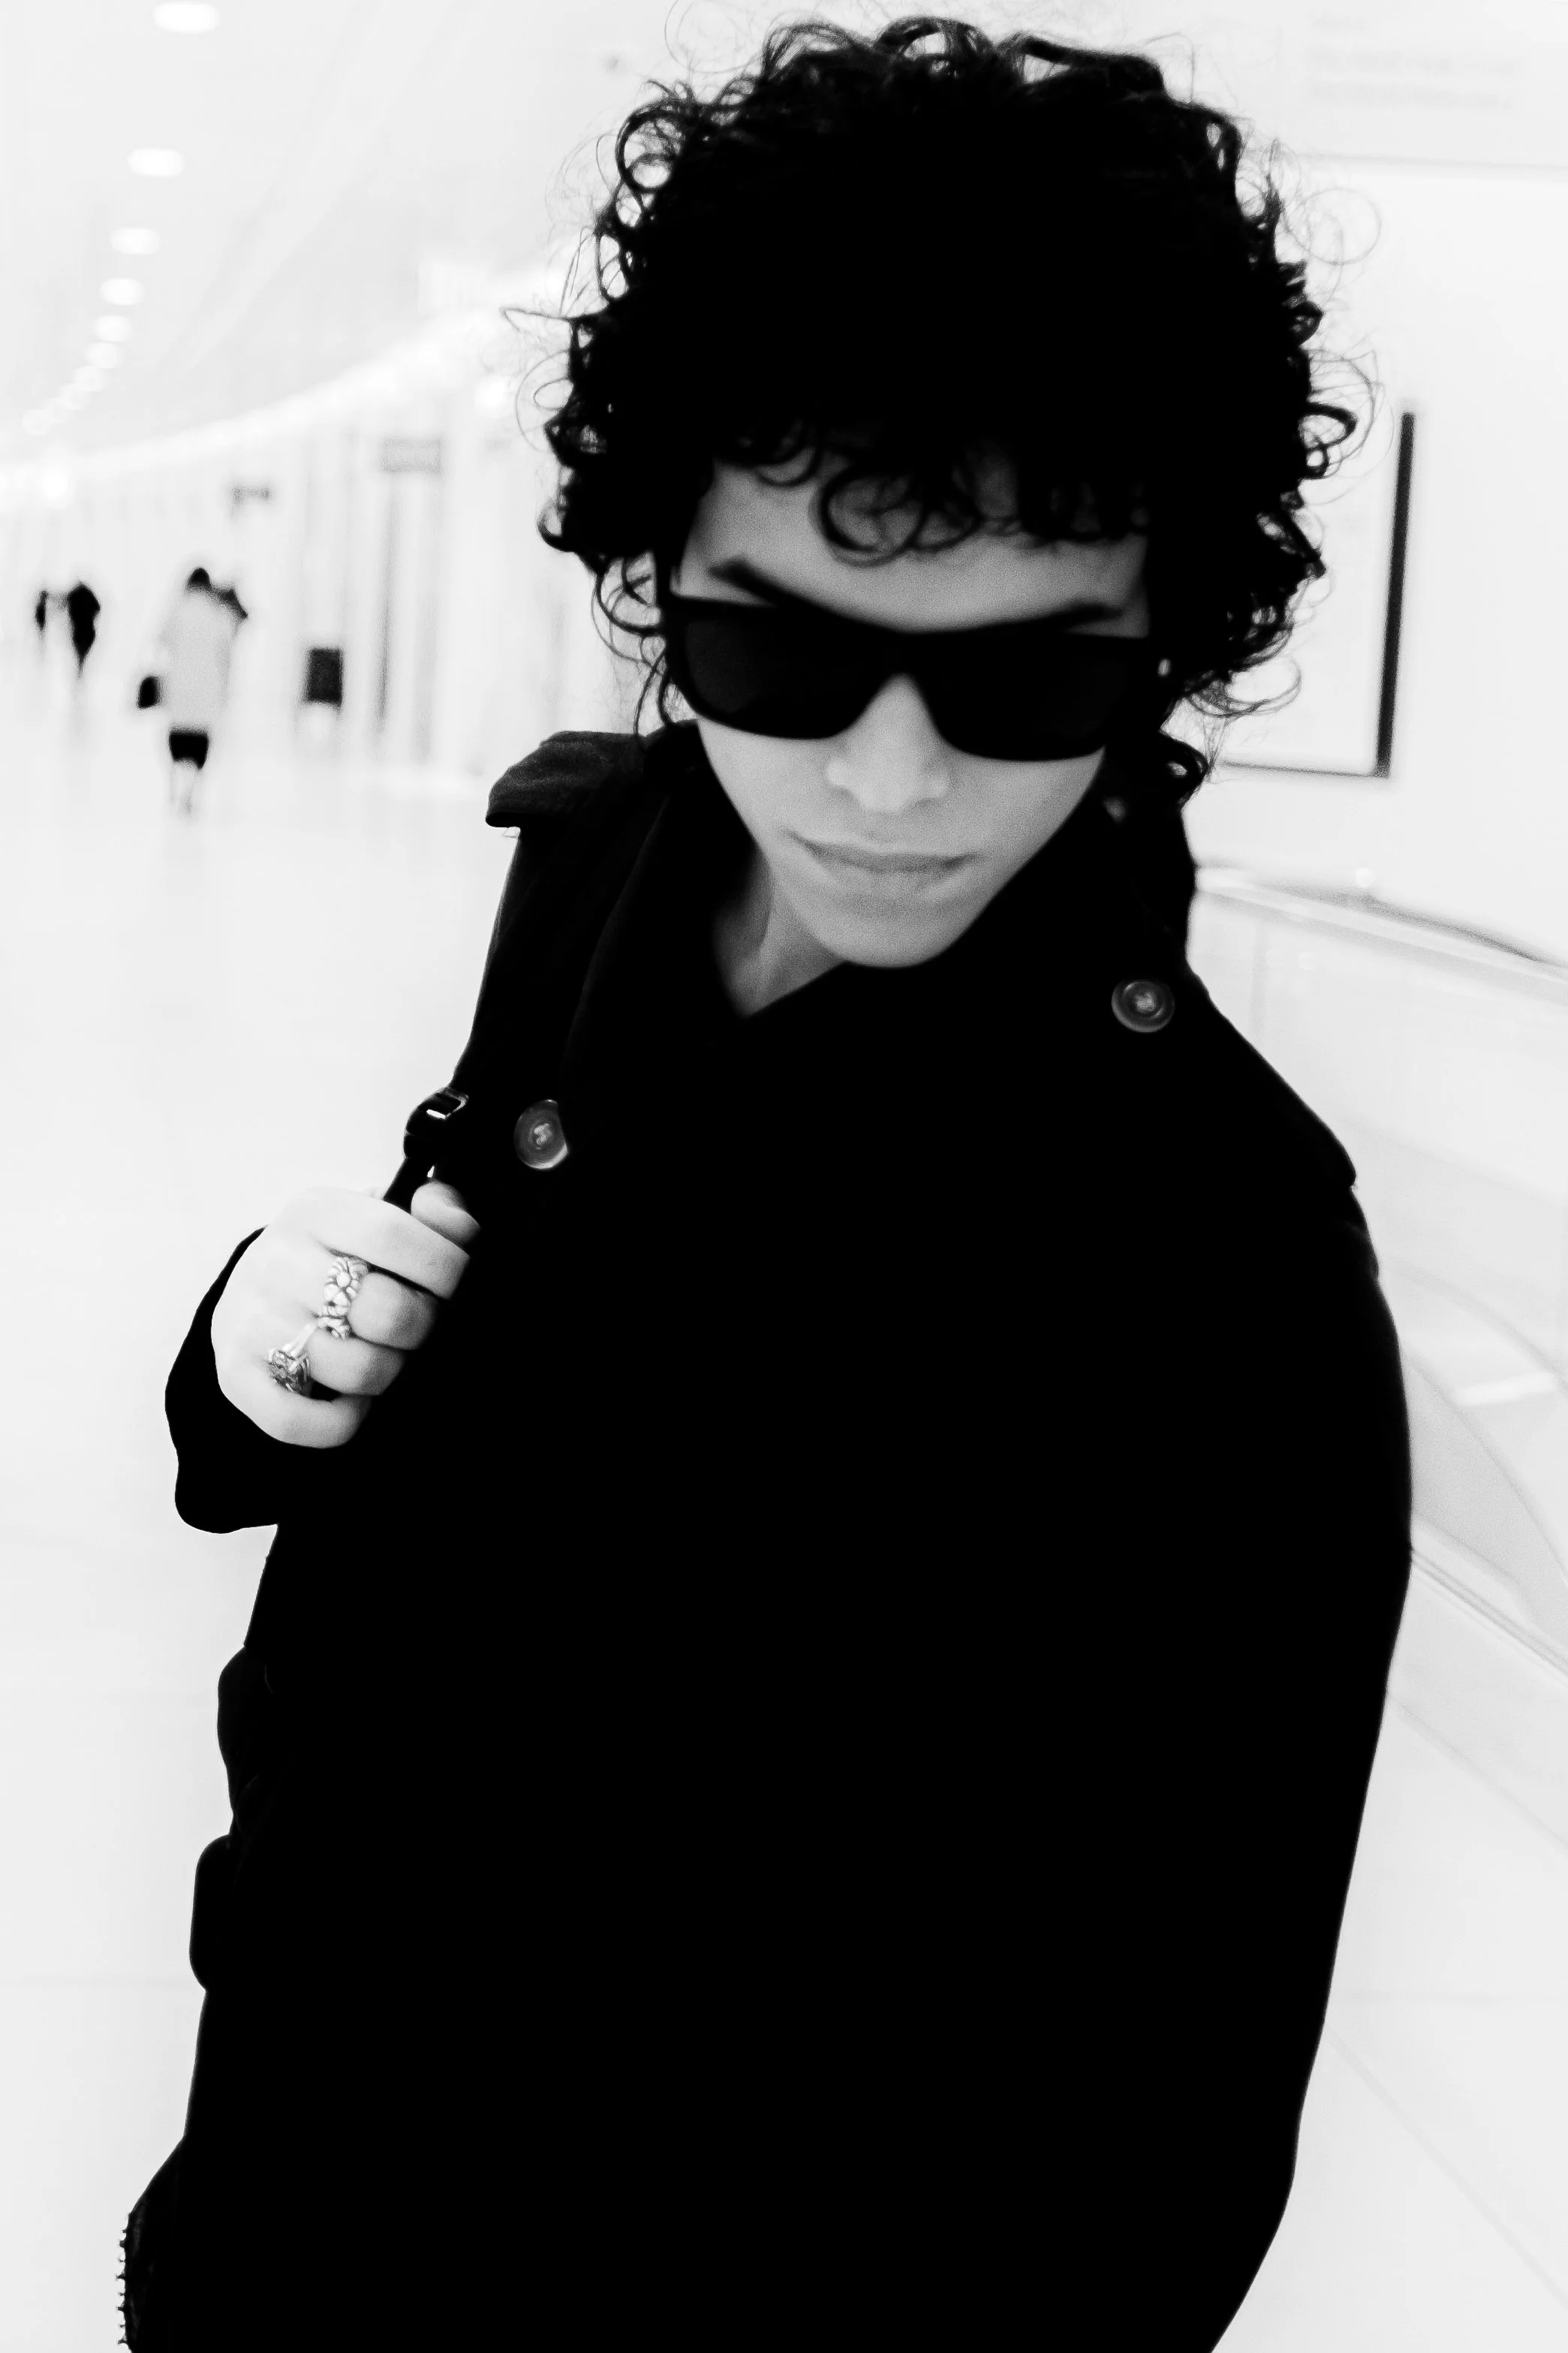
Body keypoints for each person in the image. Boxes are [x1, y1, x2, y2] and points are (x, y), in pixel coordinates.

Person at [122, 22, 1409, 2351]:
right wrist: (254, 1362)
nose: (890, 784)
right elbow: (415, 1407)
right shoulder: (601, 878)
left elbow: (1144, 2169)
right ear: (658, 577)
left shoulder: (1221, 1269)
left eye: (1023, 686)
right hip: (280, 2217)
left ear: (1164, 645)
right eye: (779, 651)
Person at [156, 567, 241, 813]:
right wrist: (226, 688)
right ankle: (191, 791)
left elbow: (162, 639)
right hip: (207, 688)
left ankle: (174, 786)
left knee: (177, 740)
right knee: (199, 744)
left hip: (179, 685)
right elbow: (228, 650)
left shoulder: (178, 608)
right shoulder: (218, 612)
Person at [62, 579, 100, 683]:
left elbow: (64, 606)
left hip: (79, 631)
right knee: (82, 655)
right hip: (87, 631)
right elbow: (97, 609)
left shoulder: (74, 596)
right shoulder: (89, 597)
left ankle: (79, 673)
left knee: (79, 653)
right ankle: (80, 673)